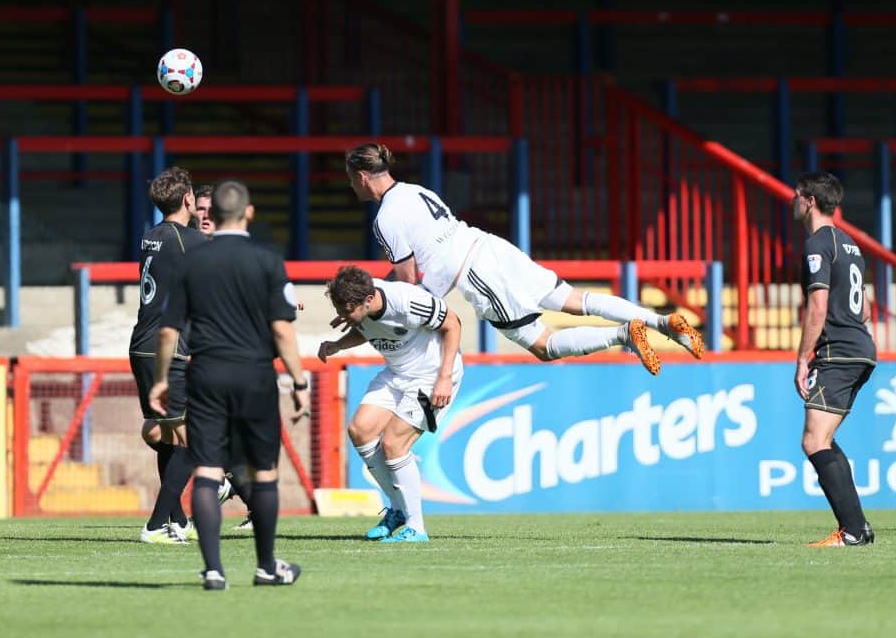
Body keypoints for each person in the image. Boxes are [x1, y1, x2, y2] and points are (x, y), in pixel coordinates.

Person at [344, 143, 705, 375]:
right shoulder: (416, 190)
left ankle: (624, 333)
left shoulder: (385, 219)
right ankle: (662, 322)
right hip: (491, 247)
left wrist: (370, 300)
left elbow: (406, 280)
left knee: (543, 345)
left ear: (362, 176)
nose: (352, 187)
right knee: (576, 301)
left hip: (476, 274)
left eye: (351, 180)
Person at [150, 179, 309, 590]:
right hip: (255, 374)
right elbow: (281, 329)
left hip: (206, 374)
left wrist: (163, 379)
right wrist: (298, 379)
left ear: (210, 215)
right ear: (249, 213)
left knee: (205, 470)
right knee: (265, 473)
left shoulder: (191, 260)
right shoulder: (268, 259)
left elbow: (168, 331)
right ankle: (266, 566)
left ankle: (214, 570)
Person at [318, 265, 463, 543]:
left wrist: (444, 378)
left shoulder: (408, 301)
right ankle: (398, 510)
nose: (343, 316)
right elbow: (367, 329)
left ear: (368, 300)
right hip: (398, 373)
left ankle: (416, 527)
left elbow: (453, 324)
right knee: (360, 430)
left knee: (394, 445)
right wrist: (338, 345)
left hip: (431, 374)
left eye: (347, 310)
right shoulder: (361, 305)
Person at [129, 166, 222, 544]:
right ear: (188, 200)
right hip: (168, 351)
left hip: (141, 345)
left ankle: (177, 520)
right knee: (192, 439)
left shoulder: (151, 236)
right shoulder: (191, 242)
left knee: (168, 436)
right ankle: (154, 526)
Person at [791, 172, 877, 547]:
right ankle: (859, 528)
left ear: (810, 200)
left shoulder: (817, 243)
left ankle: (853, 531)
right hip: (860, 348)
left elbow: (819, 303)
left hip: (838, 352)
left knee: (814, 440)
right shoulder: (850, 243)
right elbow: (868, 309)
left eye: (797, 195)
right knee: (822, 438)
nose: (792, 201)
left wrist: (802, 358)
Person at [190, 182, 256, 531]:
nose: (202, 216)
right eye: (198, 210)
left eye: (207, 210)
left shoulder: (239, 254)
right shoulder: (192, 253)